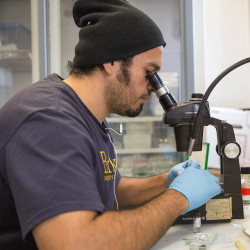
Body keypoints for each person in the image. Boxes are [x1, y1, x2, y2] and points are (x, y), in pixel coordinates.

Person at [0, 0, 221, 249]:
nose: (153, 86)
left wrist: (165, 182)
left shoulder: (88, 115)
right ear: (110, 61)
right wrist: (179, 197)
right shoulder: (49, 119)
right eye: (149, 71)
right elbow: (76, 244)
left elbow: (111, 188)